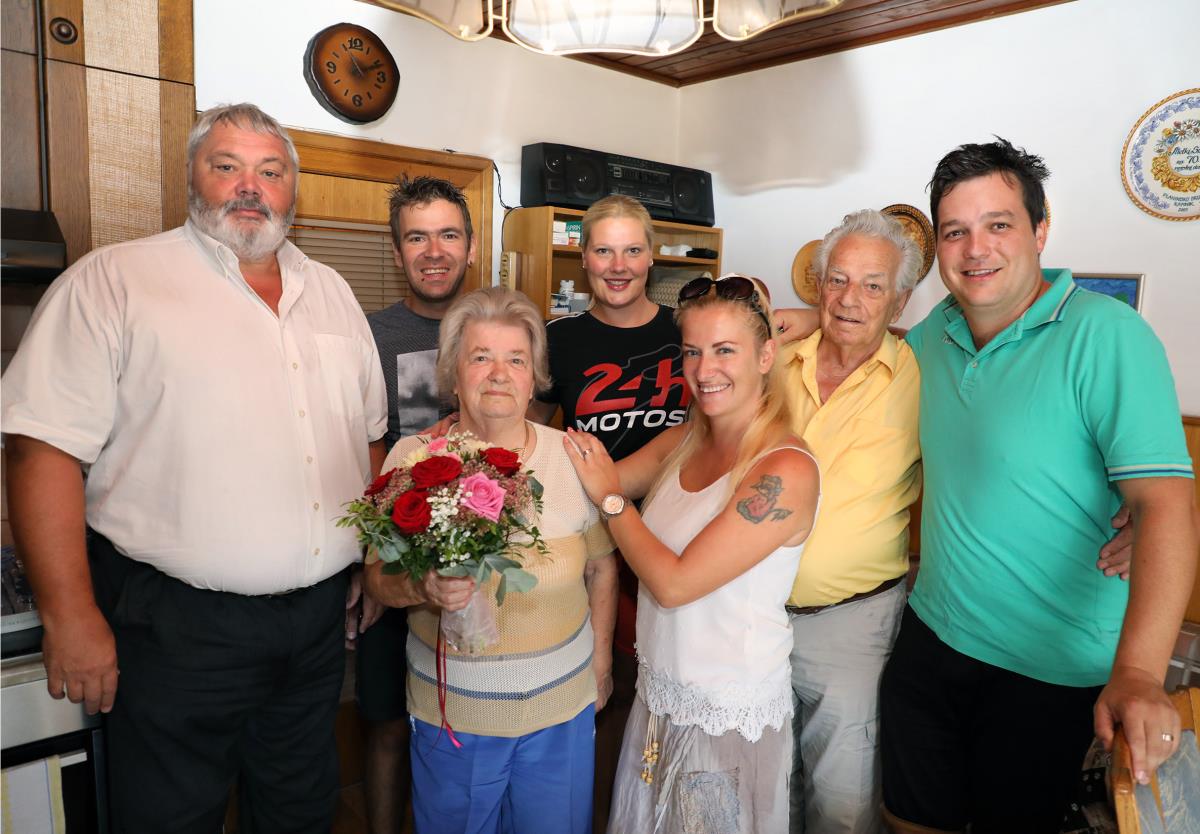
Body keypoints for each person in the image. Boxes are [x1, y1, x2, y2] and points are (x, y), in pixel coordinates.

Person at [1, 103, 387, 832]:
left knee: (301, 809)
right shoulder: (115, 282)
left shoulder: (334, 293)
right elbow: (38, 449)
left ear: (292, 189)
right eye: (227, 166)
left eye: (270, 171)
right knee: (169, 816)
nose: (250, 187)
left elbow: (365, 442)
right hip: (175, 628)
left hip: (314, 625)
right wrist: (70, 615)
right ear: (190, 178)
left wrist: (369, 556)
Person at [877, 139, 1197, 833]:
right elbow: (878, 346)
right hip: (931, 636)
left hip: (1048, 668)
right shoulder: (936, 333)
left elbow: (1166, 502)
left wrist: (1140, 674)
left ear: (1040, 229)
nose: (975, 249)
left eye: (998, 224)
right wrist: (810, 321)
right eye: (955, 232)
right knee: (908, 817)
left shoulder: (1106, 335)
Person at [565, 274, 821, 834]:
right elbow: (589, 478)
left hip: (723, 711)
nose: (705, 371)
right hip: (662, 693)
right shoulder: (685, 439)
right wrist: (489, 438)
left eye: (725, 350)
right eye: (692, 352)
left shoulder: (784, 469)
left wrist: (611, 500)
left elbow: (674, 582)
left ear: (765, 356)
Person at [364, 286, 618, 834]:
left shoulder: (573, 459)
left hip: (561, 710)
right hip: (456, 715)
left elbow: (601, 567)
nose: (499, 374)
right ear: (453, 374)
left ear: (535, 378)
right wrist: (423, 588)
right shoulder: (412, 459)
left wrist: (600, 665)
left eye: (516, 360)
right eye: (481, 357)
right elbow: (377, 578)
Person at [530, 194, 691, 832]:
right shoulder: (559, 339)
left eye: (632, 250)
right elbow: (529, 436)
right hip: (592, 541)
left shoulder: (686, 330)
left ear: (652, 258)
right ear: (583, 258)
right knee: (604, 689)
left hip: (679, 537)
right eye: (603, 250)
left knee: (670, 688)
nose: (618, 265)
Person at [780, 210, 922, 834]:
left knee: (842, 802)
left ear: (901, 300)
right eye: (837, 280)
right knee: (763, 786)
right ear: (819, 284)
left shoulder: (924, 371)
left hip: (852, 624)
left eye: (872, 285)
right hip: (753, 614)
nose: (849, 298)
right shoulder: (772, 359)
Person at [356, 174, 477, 834]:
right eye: (417, 237)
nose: (434, 251)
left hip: (481, 558)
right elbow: (362, 450)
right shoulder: (368, 336)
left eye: (448, 234)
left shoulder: (496, 325)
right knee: (386, 722)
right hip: (396, 556)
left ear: (470, 245)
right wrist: (368, 561)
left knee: (462, 719)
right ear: (397, 249)